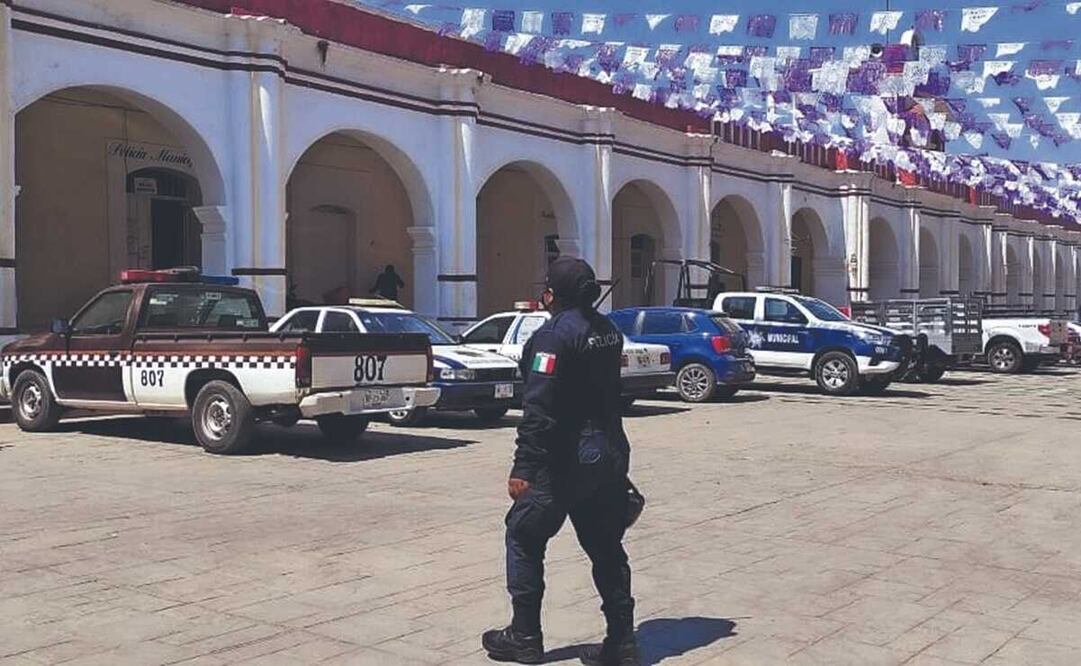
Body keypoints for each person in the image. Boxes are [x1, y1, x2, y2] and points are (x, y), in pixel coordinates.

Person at [482, 257, 639, 666]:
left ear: (552, 293)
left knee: (522, 534)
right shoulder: (608, 330)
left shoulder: (553, 337)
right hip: (609, 453)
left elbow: (539, 408)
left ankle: (524, 636)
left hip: (565, 456)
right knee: (606, 547)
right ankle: (621, 641)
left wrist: (523, 467)